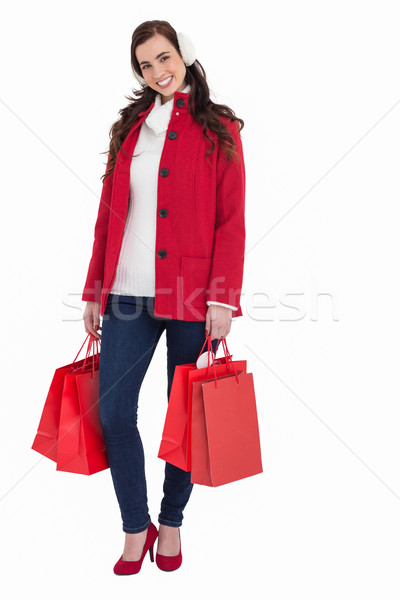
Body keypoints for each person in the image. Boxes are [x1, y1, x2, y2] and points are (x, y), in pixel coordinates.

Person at [82, 20, 246, 575]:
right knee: (114, 413)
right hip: (125, 293)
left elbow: (231, 221)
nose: (157, 72)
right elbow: (108, 216)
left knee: (186, 417)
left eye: (164, 58)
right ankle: (136, 526)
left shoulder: (219, 128)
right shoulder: (130, 129)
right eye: (146, 65)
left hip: (192, 297)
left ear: (185, 54)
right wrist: (94, 289)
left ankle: (171, 521)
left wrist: (223, 299)